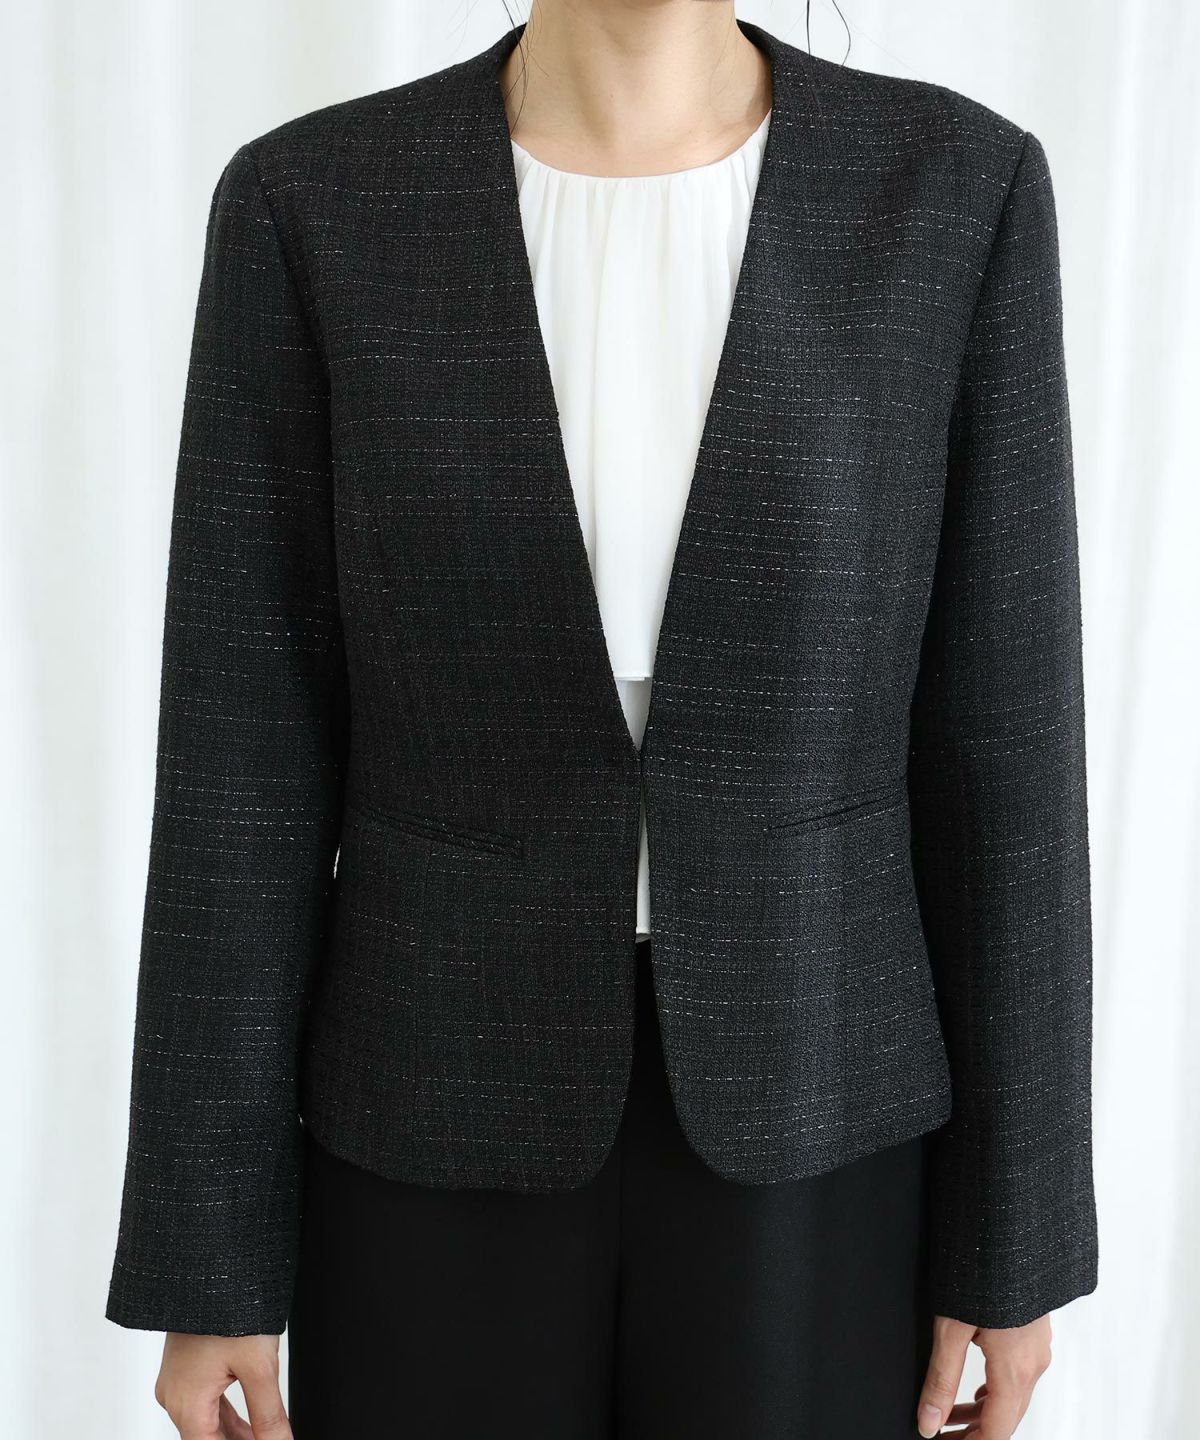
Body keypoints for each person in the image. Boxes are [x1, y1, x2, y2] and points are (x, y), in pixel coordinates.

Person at [106, 5, 1099, 1437]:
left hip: (824, 1122)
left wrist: (1014, 1238)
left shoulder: (953, 189)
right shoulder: (312, 200)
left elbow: (1006, 752)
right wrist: (208, 1257)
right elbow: (240, 763)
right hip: (425, 1120)